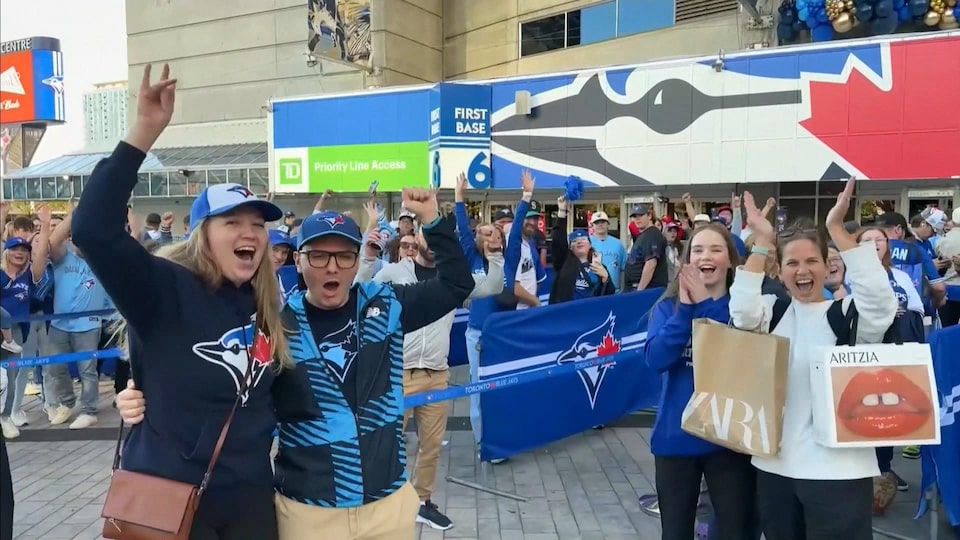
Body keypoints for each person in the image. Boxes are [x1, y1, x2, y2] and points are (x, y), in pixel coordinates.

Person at [73, 64, 289, 540]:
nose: (249, 232)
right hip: (168, 500)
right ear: (201, 236)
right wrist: (143, 131)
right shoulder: (163, 287)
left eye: (257, 223)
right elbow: (90, 228)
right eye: (232, 221)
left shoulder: (268, 306)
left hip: (249, 499)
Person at [269, 189, 475, 539]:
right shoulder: (276, 327)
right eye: (318, 256)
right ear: (298, 261)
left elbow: (457, 284)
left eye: (345, 256)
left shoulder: (384, 305)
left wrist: (432, 218)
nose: (332, 267)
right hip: (309, 510)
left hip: (386, 506)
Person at [731, 178, 897, 540]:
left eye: (811, 261)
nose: (801, 271)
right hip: (775, 468)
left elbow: (882, 305)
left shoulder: (847, 315)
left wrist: (838, 230)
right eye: (792, 263)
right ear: (780, 270)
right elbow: (741, 313)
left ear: (827, 265)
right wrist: (762, 242)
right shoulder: (773, 312)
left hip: (839, 474)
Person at [354, 195, 505, 531]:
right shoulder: (395, 271)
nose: (433, 245)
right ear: (420, 236)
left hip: (437, 374)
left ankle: (421, 501)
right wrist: (367, 255)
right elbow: (358, 291)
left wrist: (495, 253)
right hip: (396, 373)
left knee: (431, 447)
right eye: (426, 237)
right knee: (386, 445)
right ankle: (381, 502)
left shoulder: (454, 283)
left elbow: (495, 285)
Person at [644, 223, 756, 540]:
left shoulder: (743, 311)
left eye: (716, 249)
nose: (706, 256)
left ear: (731, 261)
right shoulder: (667, 308)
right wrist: (686, 311)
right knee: (676, 531)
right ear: (686, 261)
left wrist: (705, 305)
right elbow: (656, 360)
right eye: (697, 250)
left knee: (736, 530)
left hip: (729, 438)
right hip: (675, 436)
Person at [548, 197, 615, 304]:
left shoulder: (597, 265)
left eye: (583, 239)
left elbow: (609, 296)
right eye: (574, 241)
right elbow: (558, 240)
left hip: (589, 315)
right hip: (567, 314)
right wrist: (561, 212)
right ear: (570, 247)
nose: (579, 242)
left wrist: (605, 278)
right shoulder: (564, 263)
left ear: (590, 244)